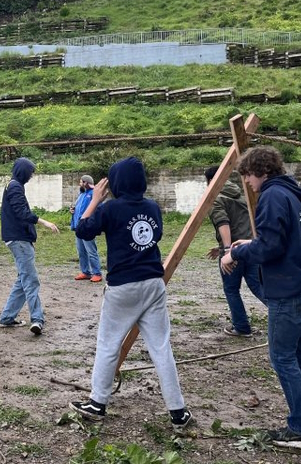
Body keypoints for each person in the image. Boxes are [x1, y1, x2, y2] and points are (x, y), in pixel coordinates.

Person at [69, 157, 193, 432]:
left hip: (123, 286)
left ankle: (97, 403)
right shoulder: (152, 207)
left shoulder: (110, 208)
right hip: (153, 283)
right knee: (161, 348)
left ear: (116, 182)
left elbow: (83, 229)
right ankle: (178, 411)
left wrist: (95, 200)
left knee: (108, 344)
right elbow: (155, 234)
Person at [220, 146, 301, 450]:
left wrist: (235, 253)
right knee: (300, 358)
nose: (248, 183)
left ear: (261, 172)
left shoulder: (272, 195)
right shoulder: (291, 194)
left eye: (248, 176)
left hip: (289, 289)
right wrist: (251, 241)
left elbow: (270, 248)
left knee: (283, 358)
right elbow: (280, 238)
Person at [0, 157, 60, 336]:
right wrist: (43, 222)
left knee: (23, 280)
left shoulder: (14, 185)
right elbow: (21, 212)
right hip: (19, 239)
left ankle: (7, 318)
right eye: (31, 172)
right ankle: (37, 319)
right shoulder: (16, 186)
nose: (31, 176)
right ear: (24, 171)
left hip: (17, 238)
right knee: (31, 280)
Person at [204, 165, 264, 337]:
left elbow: (224, 223)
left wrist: (227, 250)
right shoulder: (241, 194)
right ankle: (284, 316)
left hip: (234, 251)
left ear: (209, 181)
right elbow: (244, 223)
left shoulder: (217, 198)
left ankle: (241, 327)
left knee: (231, 289)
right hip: (251, 247)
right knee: (257, 286)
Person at [70, 175, 102, 283]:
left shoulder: (93, 194)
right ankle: (86, 272)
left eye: (81, 182)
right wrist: (73, 210)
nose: (80, 184)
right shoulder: (81, 194)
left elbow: (97, 209)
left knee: (91, 250)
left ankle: (97, 273)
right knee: (81, 251)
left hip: (88, 227)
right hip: (78, 227)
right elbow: (79, 208)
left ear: (86, 183)